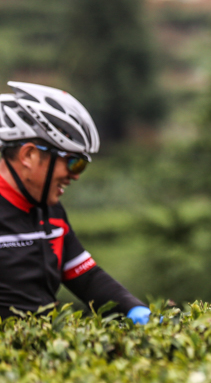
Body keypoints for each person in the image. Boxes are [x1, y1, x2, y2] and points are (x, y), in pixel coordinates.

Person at [0, 81, 150, 324]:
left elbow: (86, 277)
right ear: (29, 155)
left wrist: (135, 309)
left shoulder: (51, 211)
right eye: (73, 162)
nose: (76, 175)